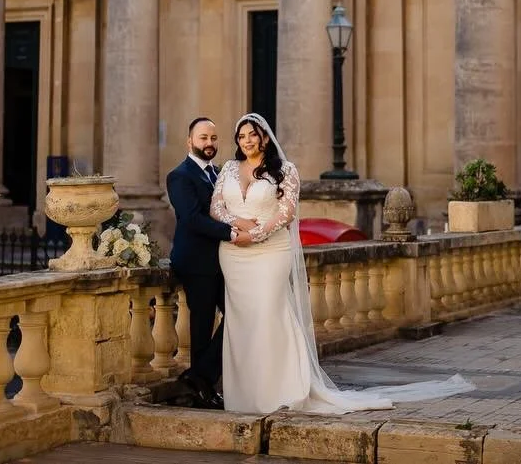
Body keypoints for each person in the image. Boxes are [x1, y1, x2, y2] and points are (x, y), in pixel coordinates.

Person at [209, 112, 474, 414]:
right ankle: (245, 395)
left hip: (270, 252)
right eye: (241, 136)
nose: (246, 141)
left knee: (269, 315)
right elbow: (216, 206)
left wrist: (254, 235)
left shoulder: (286, 170)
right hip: (234, 253)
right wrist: (237, 226)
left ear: (265, 138)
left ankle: (279, 392)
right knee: (241, 322)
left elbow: (286, 213)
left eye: (252, 135)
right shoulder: (229, 168)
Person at [166, 116, 250, 410]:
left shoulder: (218, 173)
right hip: (196, 262)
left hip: (222, 261)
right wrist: (232, 232)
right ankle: (203, 391)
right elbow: (192, 218)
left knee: (241, 315)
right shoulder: (179, 176)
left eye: (213, 138)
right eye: (203, 138)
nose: (209, 143)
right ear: (189, 141)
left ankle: (199, 378)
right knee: (201, 327)